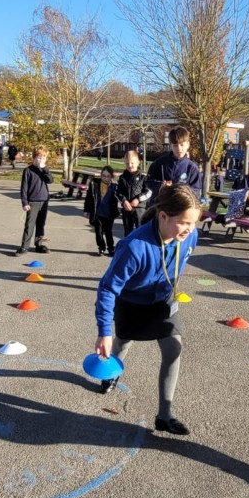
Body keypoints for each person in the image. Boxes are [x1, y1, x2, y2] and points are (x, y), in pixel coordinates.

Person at [93, 184, 200, 435]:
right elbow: (107, 289)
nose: (190, 229)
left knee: (174, 348)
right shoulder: (133, 247)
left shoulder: (190, 236)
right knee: (121, 344)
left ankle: (165, 415)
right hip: (132, 303)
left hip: (163, 301)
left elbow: (176, 260)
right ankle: (111, 374)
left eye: (193, 222)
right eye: (184, 222)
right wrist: (104, 332)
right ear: (163, 216)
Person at [146, 126, 203, 198]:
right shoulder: (159, 163)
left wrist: (180, 191)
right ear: (170, 146)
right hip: (161, 203)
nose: (179, 148)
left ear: (188, 145)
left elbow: (196, 191)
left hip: (181, 204)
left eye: (182, 145)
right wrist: (160, 186)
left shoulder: (192, 168)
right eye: (175, 145)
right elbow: (148, 181)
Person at [16, 145, 52, 255]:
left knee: (41, 224)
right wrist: (25, 202)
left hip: (44, 200)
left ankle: (39, 244)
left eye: (44, 158)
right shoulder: (28, 171)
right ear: (34, 157)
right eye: (39, 157)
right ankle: (24, 247)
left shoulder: (44, 170)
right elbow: (24, 188)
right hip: (33, 201)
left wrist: (44, 168)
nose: (41, 160)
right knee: (29, 225)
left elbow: (50, 180)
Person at [84, 164, 119, 256]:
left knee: (108, 232)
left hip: (109, 213)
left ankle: (111, 248)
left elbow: (118, 198)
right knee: (98, 232)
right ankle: (101, 247)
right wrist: (86, 210)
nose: (106, 178)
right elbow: (89, 198)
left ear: (111, 177)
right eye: (104, 176)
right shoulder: (95, 185)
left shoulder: (114, 187)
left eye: (108, 176)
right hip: (98, 213)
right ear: (101, 175)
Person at [117, 150, 152, 237]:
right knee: (127, 233)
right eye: (127, 163)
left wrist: (138, 199)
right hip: (127, 209)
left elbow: (148, 192)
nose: (130, 165)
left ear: (138, 162)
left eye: (132, 163)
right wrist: (124, 201)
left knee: (141, 232)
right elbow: (118, 192)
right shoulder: (122, 178)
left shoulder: (143, 177)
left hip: (139, 210)